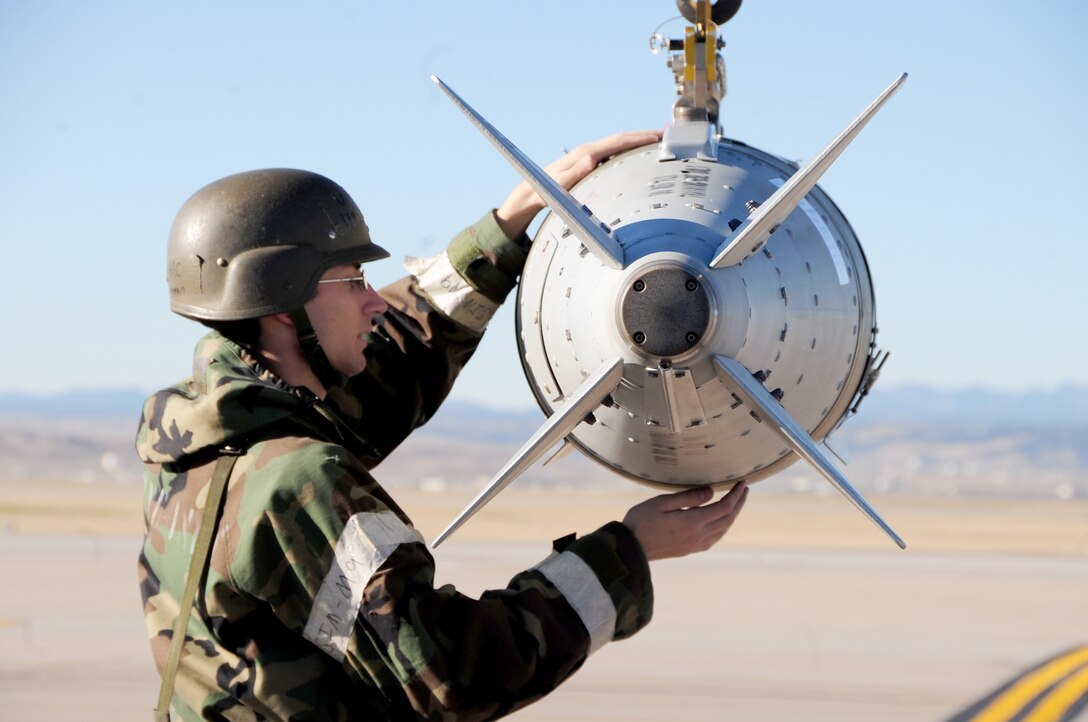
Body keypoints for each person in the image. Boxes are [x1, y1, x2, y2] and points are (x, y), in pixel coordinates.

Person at [137, 131, 749, 721]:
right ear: (280, 306)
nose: (373, 302)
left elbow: (393, 359)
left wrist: (505, 226)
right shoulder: (299, 482)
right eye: (353, 281)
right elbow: (449, 678)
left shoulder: (202, 440)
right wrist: (624, 555)